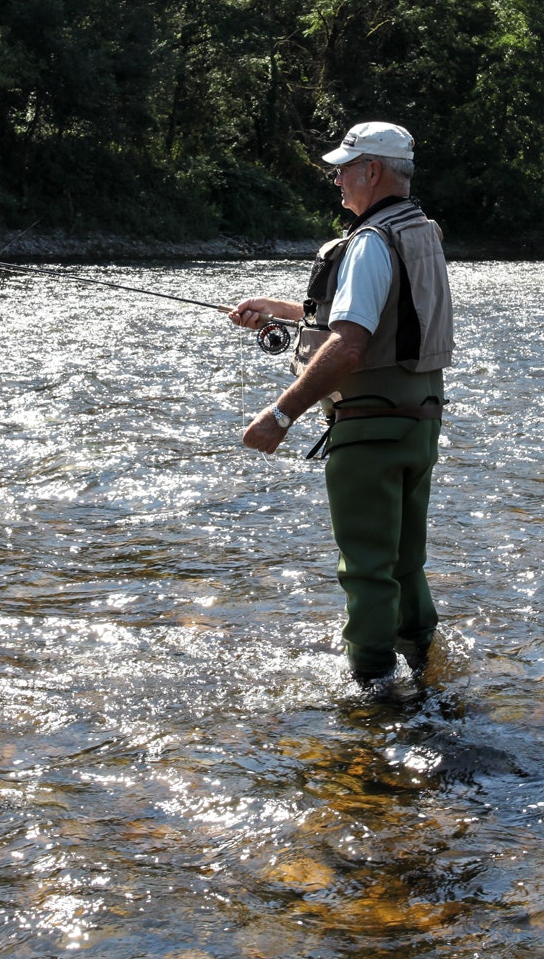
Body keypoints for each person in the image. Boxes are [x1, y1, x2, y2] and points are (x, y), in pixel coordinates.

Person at [231, 121, 455, 687]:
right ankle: (426, 666)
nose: (337, 179)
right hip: (418, 425)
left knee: (366, 570)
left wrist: (280, 415)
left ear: (372, 171)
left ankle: (372, 691)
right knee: (405, 563)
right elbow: (380, 320)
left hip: (370, 429)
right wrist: (280, 310)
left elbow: (350, 343)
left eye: (344, 168)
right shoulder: (418, 231)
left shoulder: (371, 242)